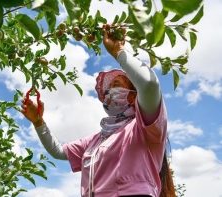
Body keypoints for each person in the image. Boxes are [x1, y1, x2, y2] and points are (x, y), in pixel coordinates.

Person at [21, 24, 175, 197]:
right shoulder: (96, 140)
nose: (109, 92)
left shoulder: (144, 128)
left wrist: (119, 50)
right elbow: (59, 151)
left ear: (133, 96)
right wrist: (39, 123)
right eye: (108, 89)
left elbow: (149, 84)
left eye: (116, 85)